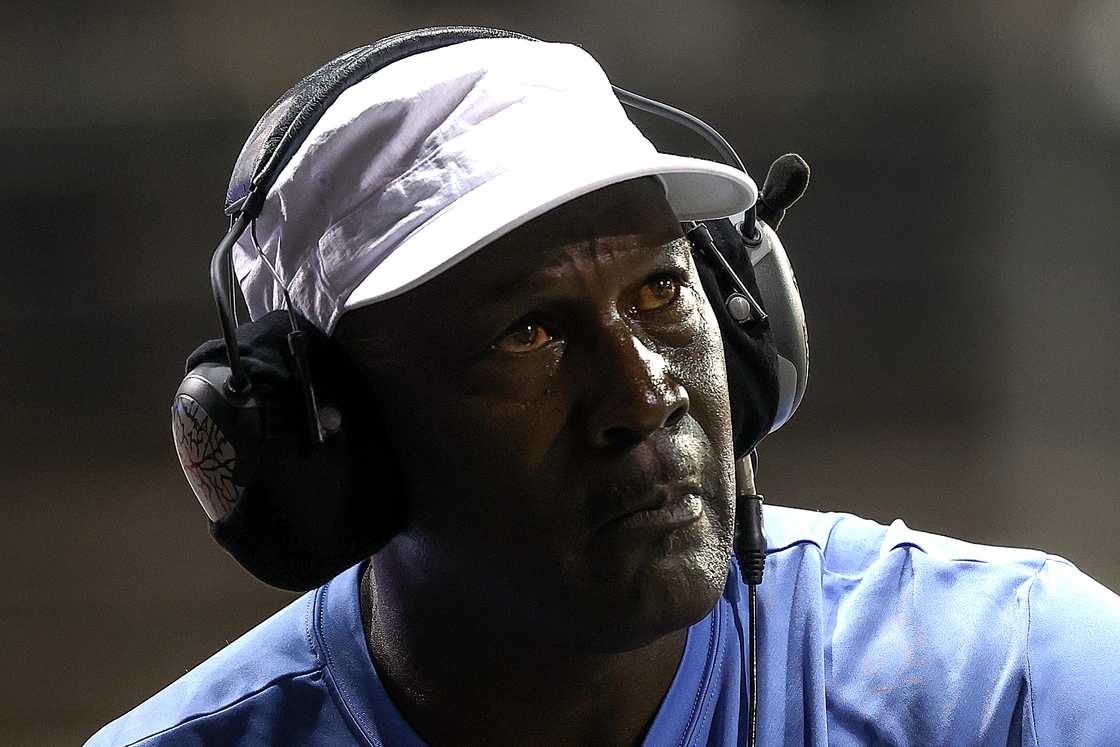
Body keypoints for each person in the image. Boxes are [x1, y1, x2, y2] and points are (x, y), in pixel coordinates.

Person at [88, 33, 1120, 746]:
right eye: (527, 333)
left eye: (661, 290)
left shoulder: (1016, 685)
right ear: (333, 436)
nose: (642, 395)